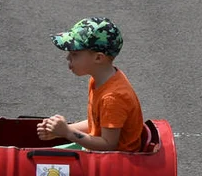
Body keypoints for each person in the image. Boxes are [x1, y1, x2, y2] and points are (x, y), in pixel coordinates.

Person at [37, 17, 145, 152]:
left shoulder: (113, 98)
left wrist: (68, 132)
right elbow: (96, 124)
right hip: (99, 152)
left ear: (98, 58)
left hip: (116, 162)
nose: (68, 57)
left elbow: (108, 144)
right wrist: (59, 131)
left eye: (75, 54)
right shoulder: (100, 80)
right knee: (46, 155)